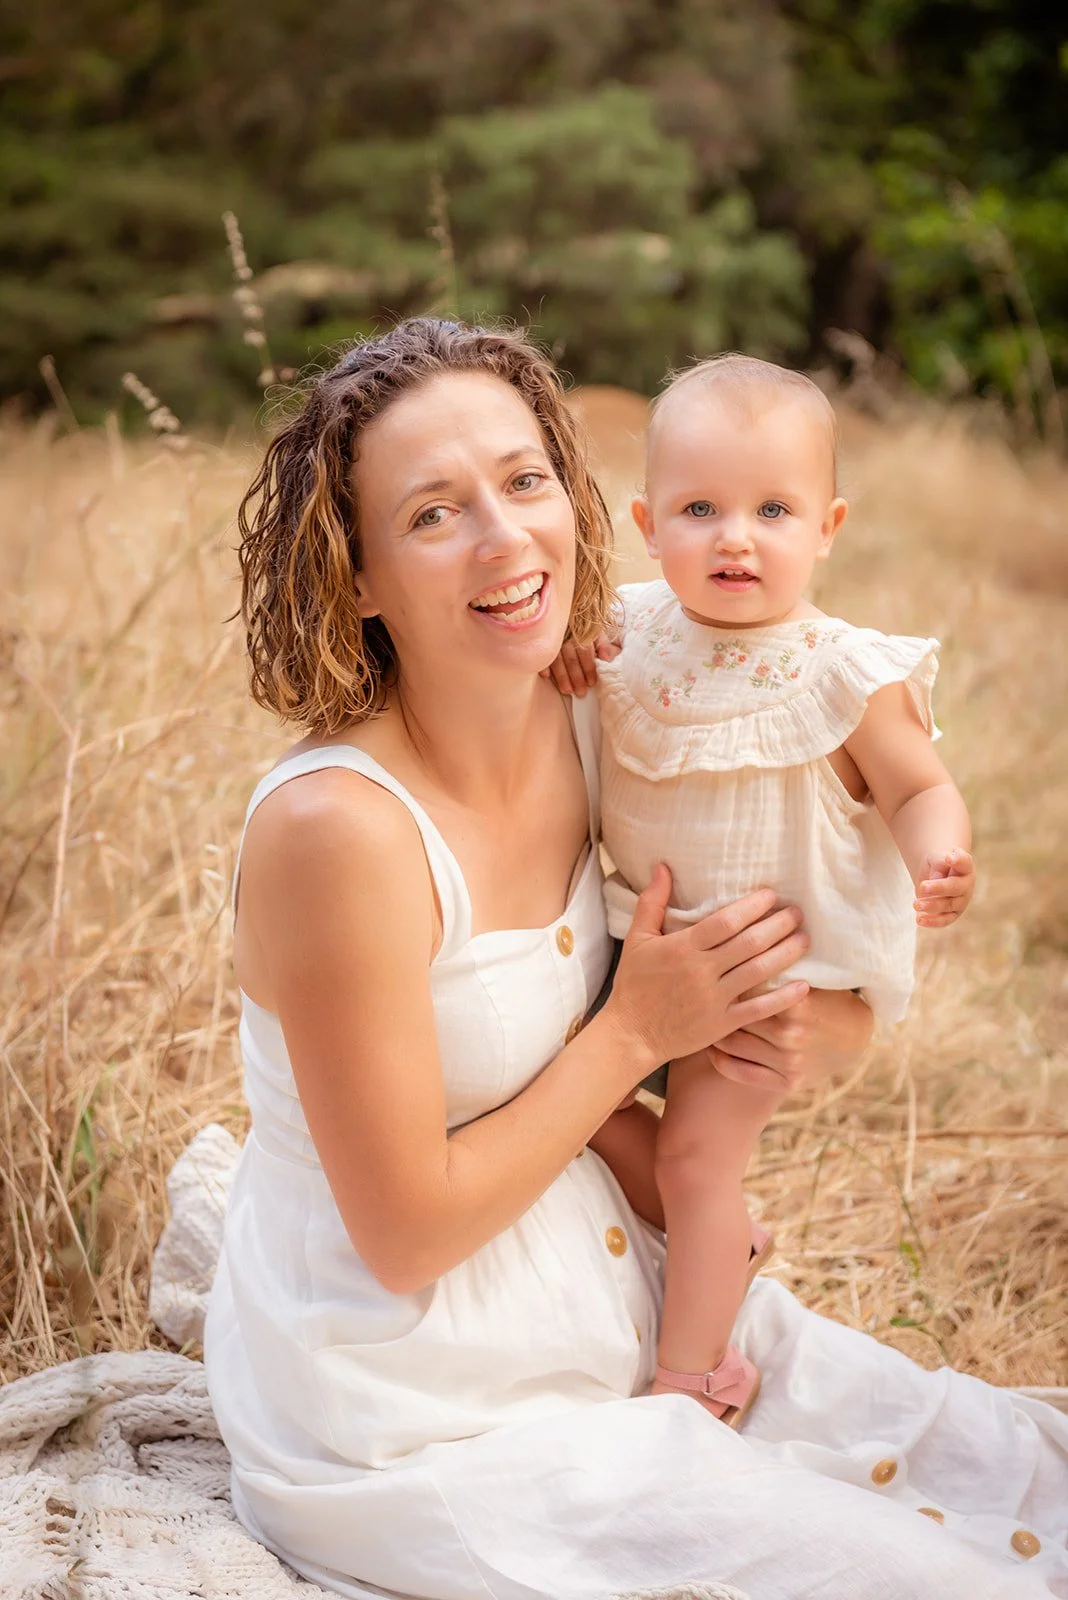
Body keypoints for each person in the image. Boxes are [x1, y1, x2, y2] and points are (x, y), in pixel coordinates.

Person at [203, 317, 1068, 1600]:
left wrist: (796, 1032)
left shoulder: (594, 708)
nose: (506, 539)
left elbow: (806, 1007)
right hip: (407, 1387)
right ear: (360, 573)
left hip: (604, 1274)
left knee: (1008, 1480)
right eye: (435, 514)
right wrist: (636, 1035)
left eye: (526, 479)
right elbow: (403, 1234)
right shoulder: (338, 831)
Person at [549, 354, 975, 1429]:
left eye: (772, 509)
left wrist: (940, 853)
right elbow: (563, 686)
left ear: (826, 526)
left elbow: (919, 784)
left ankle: (692, 1378)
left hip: (770, 979)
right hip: (636, 945)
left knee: (696, 1154)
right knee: (562, 1094)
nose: (736, 536)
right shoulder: (628, 632)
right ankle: (721, 1239)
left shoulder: (843, 672)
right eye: (701, 507)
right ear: (648, 522)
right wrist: (562, 661)